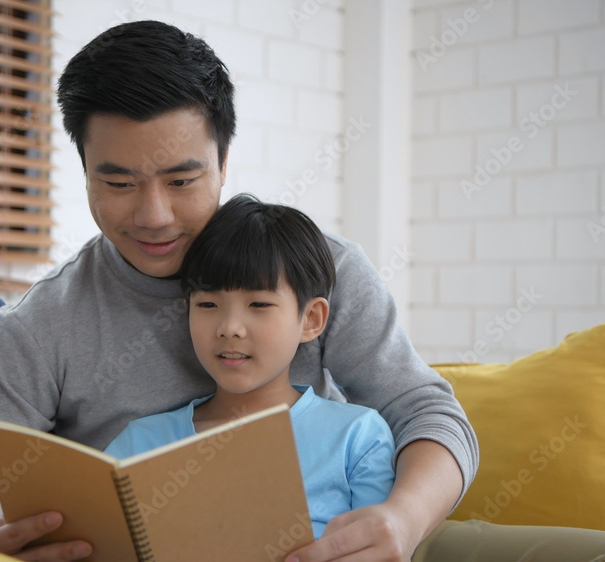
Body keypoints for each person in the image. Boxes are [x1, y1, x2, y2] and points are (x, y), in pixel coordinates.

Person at [0, 20, 605, 562]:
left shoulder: (318, 269)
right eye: (118, 182)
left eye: (183, 177)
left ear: (224, 159)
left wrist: (400, 520)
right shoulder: (47, 321)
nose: (154, 214)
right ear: (80, 170)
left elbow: (429, 411)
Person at [104, 193, 396, 540]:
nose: (229, 327)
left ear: (311, 319)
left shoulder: (357, 436)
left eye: (258, 303)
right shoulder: (141, 444)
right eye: (208, 303)